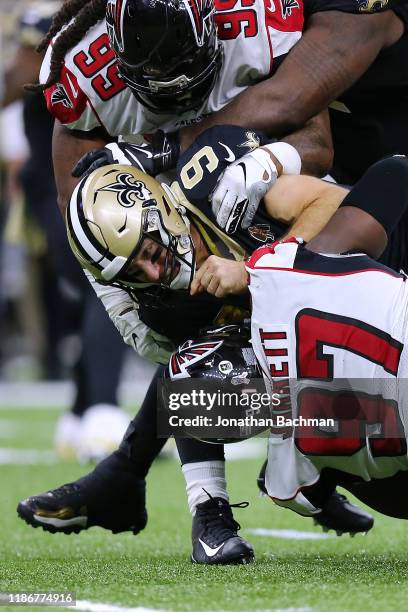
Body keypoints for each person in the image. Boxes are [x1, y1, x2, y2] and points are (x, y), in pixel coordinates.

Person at [18, 125, 385, 564]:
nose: (152, 275)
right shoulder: (154, 305)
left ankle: (311, 468)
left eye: (148, 253)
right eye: (133, 273)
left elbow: (344, 206)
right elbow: (189, 364)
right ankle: (213, 510)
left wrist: (259, 273)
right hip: (313, 358)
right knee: (191, 373)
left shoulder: (217, 180)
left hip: (363, 302)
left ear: (158, 212)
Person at [188, 154, 408, 521]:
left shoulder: (289, 466)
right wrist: (253, 271)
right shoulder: (276, 274)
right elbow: (396, 171)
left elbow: (399, 502)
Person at [2, 0, 129, 460]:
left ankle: (81, 415)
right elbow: (17, 82)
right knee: (107, 288)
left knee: (99, 295)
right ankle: (102, 412)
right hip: (63, 188)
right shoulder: (49, 22)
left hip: (110, 184)